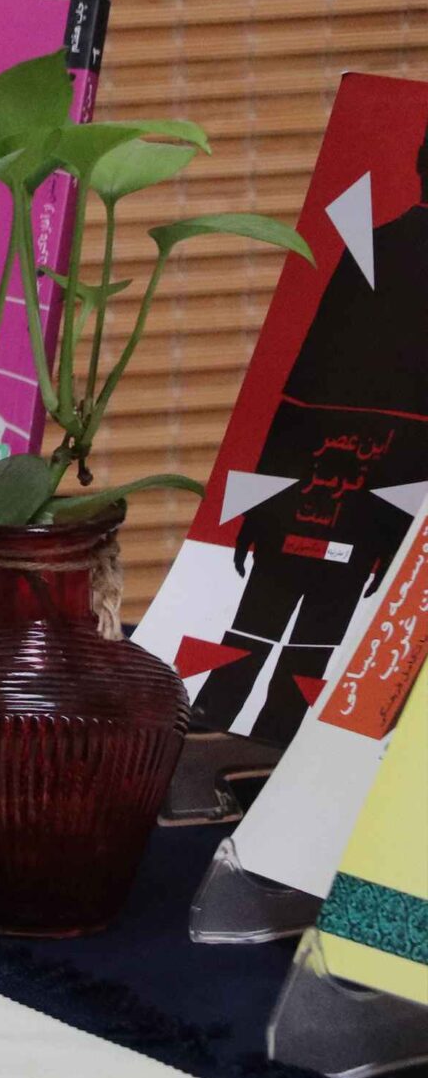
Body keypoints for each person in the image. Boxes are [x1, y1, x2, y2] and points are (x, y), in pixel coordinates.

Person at [191, 117, 428, 744]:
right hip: (381, 487)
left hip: (308, 471)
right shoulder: (367, 248)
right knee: (317, 633)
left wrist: (260, 507)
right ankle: (272, 745)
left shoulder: (370, 247)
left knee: (256, 621)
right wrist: (394, 534)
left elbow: (301, 384)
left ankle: (215, 732)